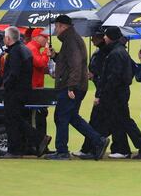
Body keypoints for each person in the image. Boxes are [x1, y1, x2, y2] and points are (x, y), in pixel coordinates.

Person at [45, 15, 109, 160]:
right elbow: (69, 61)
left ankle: (62, 151)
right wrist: (55, 55)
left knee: (61, 116)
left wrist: (71, 87)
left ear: (62, 26)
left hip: (72, 86)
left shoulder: (71, 41)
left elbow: (75, 65)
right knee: (71, 117)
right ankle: (99, 140)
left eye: (56, 26)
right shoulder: (71, 39)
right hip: (76, 85)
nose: (55, 29)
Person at [90, 27, 141, 160]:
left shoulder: (116, 53)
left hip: (116, 94)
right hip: (119, 92)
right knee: (120, 121)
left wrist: (102, 94)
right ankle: (124, 149)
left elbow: (113, 78)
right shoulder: (119, 51)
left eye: (106, 36)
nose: (104, 38)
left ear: (110, 37)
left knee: (125, 121)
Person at [73, 30, 132, 159]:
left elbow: (110, 76)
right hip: (109, 91)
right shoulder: (110, 51)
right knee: (111, 120)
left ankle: (98, 146)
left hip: (111, 93)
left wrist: (100, 93)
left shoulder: (111, 52)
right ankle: (95, 147)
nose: (92, 39)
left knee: (106, 120)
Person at [1, 26, 51, 158]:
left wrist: (5, 84)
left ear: (8, 38)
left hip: (15, 91)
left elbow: (14, 73)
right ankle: (23, 146)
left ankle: (22, 146)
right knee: (17, 119)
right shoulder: (22, 49)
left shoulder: (16, 51)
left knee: (13, 120)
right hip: (23, 90)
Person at [25, 28, 50, 147]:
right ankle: (37, 144)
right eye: (44, 37)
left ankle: (41, 145)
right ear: (35, 37)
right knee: (36, 118)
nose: (47, 39)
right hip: (34, 89)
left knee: (40, 117)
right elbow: (40, 63)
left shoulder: (33, 48)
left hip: (36, 87)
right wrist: (46, 52)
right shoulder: (32, 48)